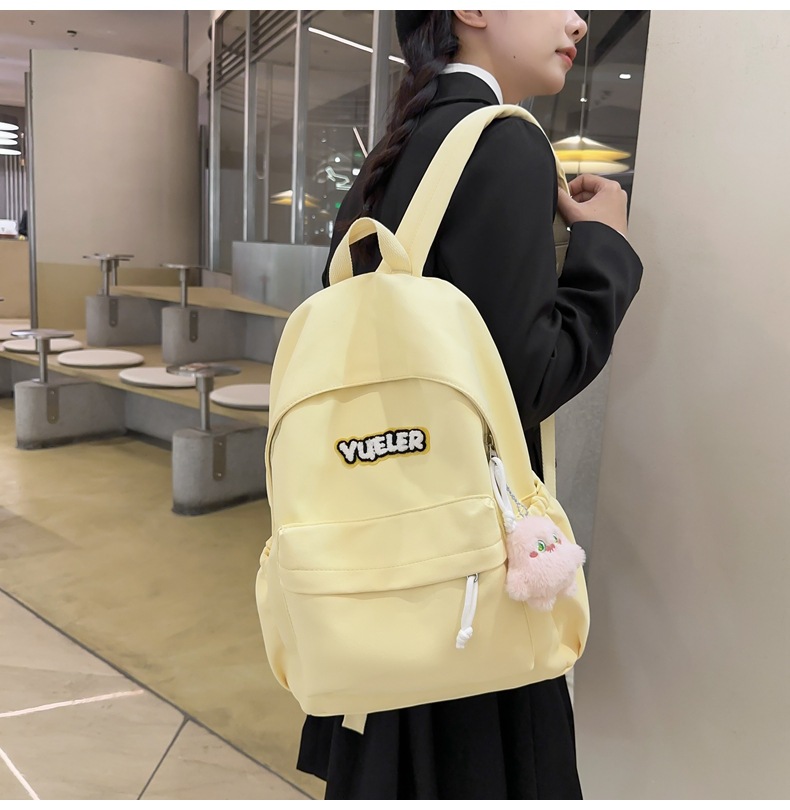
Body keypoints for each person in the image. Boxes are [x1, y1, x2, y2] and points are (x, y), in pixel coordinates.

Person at [299, 10, 643, 799]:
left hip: (379, 563)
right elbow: (528, 380)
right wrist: (607, 248)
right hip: (463, 583)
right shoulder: (503, 141)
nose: (579, 21)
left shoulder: (396, 148)